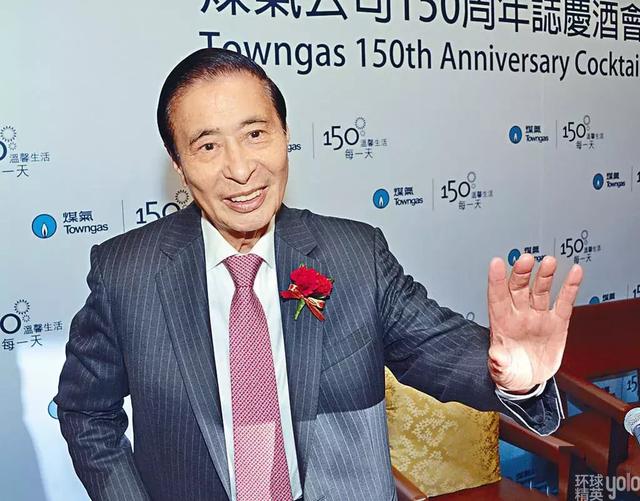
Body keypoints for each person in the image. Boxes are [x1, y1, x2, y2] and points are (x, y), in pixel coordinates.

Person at [55, 48, 583, 501]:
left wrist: (518, 378)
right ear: (178, 162)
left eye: (255, 134)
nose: (240, 169)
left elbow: (438, 349)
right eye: (208, 146)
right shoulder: (127, 273)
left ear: (285, 135)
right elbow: (86, 413)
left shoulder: (354, 254)